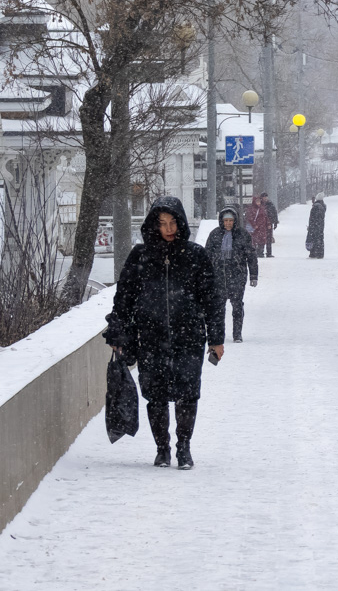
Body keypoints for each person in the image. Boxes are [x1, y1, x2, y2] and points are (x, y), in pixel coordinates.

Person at [104, 196, 223, 470]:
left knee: (187, 394)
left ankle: (184, 448)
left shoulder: (195, 255)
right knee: (156, 396)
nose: (168, 229)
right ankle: (162, 449)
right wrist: (117, 332)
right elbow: (124, 298)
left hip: (189, 337)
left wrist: (216, 339)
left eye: (173, 223)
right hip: (151, 337)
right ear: (154, 226)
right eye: (162, 224)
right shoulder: (140, 256)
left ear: (181, 223)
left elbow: (212, 300)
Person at [204, 206, 258, 343]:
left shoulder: (243, 235)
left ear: (235, 221)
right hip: (218, 277)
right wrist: (205, 275)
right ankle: (219, 334)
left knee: (237, 306)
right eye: (225, 220)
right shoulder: (215, 235)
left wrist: (253, 275)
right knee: (218, 308)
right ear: (221, 221)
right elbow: (206, 256)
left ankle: (237, 334)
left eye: (231, 220)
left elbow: (251, 256)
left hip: (237, 276)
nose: (228, 223)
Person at [306, 192, 327, 258]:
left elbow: (312, 218)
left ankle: (313, 253)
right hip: (320, 226)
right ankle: (320, 253)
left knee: (313, 238)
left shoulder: (315, 207)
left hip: (314, 226)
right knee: (320, 239)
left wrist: (310, 226)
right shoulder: (323, 206)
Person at [262, 192, 280, 257]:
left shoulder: (269, 204)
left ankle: (268, 252)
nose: (265, 198)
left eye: (266, 197)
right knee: (263, 238)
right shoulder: (265, 204)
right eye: (264, 197)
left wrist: (275, 222)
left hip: (268, 224)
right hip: (263, 224)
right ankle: (262, 252)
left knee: (268, 238)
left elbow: (274, 213)